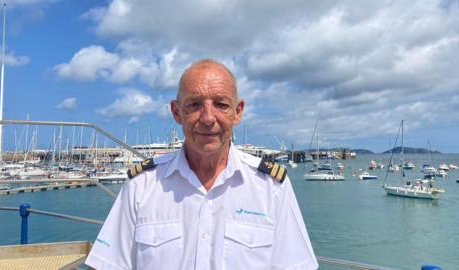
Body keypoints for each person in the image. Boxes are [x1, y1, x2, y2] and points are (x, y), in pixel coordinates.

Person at [85, 59, 318, 270]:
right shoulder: (141, 185)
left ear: (237, 113)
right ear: (177, 113)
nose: (208, 118)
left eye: (221, 104)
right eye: (195, 105)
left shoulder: (271, 187)